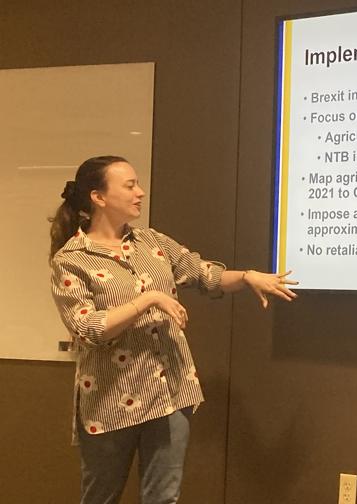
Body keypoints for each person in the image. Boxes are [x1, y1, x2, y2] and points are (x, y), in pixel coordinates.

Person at [49, 155, 298, 504]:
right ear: (98, 197)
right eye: (130, 185)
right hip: (110, 401)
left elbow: (204, 274)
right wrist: (148, 299)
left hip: (170, 392)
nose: (140, 192)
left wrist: (246, 277)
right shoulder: (71, 259)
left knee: (164, 498)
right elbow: (88, 327)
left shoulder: (152, 242)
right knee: (100, 497)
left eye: (138, 184)